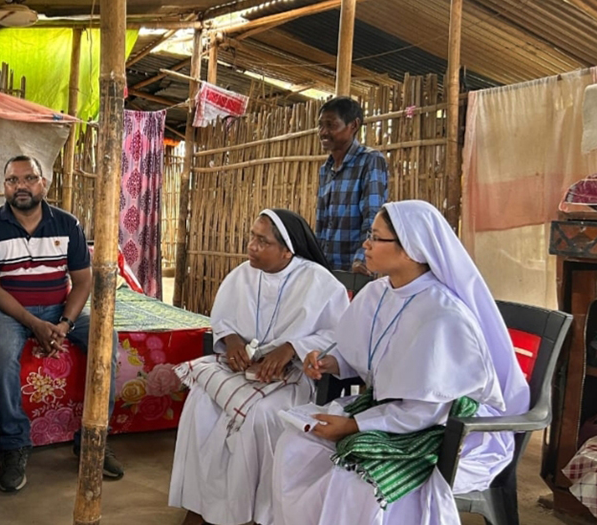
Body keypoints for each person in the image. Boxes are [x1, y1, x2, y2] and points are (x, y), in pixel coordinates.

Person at [271, 200, 531, 525]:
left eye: (376, 237)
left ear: (410, 249)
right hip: (393, 411)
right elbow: (356, 354)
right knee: (294, 445)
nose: (365, 243)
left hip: (449, 429)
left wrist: (353, 426)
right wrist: (327, 363)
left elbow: (430, 409)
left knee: (352, 479)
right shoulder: (378, 292)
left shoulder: (443, 315)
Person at [169, 209, 350, 525]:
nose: (251, 246)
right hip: (242, 370)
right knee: (200, 404)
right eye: (252, 237)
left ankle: (249, 512)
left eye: (261, 240)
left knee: (258, 417)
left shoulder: (320, 283)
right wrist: (233, 340)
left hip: (293, 378)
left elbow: (340, 336)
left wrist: (292, 347)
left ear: (287, 250)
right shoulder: (242, 274)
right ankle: (200, 505)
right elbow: (222, 320)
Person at [0, 155, 124, 493]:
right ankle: (15, 445)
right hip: (9, 312)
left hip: (59, 309)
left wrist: (65, 324)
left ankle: (91, 440)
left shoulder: (67, 224)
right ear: (4, 186)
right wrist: (34, 324)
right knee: (3, 350)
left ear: (44, 183)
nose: (20, 186)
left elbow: (83, 282)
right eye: (12, 180)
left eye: (29, 178)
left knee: (106, 338)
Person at [315, 96, 389, 275]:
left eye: (331, 125)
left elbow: (373, 216)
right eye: (320, 125)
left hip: (356, 271)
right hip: (328, 271)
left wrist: (361, 260)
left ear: (354, 125)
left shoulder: (370, 161)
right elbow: (322, 224)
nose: (323, 132)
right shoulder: (326, 169)